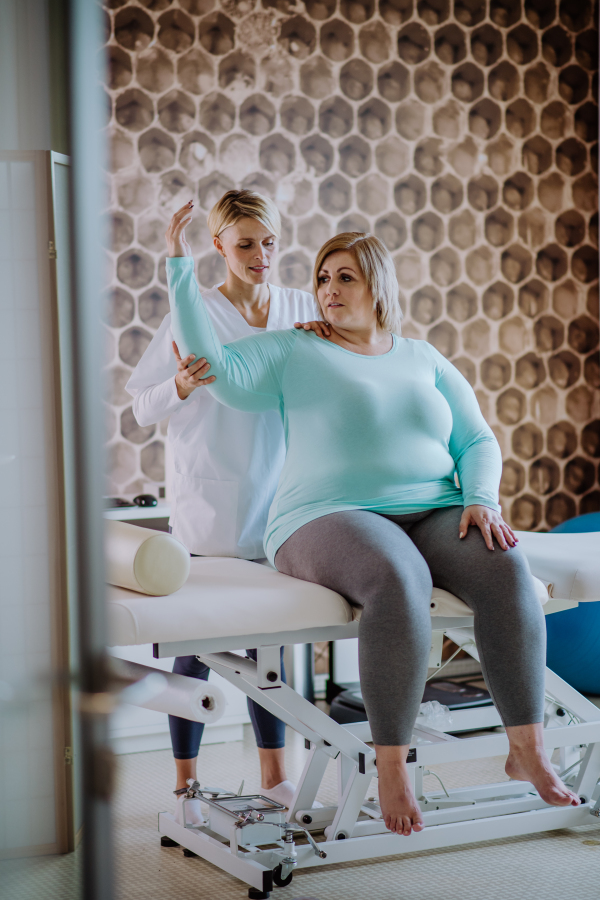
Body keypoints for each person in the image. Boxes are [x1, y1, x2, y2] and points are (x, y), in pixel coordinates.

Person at [165, 202, 581, 837]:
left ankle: (526, 746)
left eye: (344, 277)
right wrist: (177, 266)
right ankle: (392, 765)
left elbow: (477, 439)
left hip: (434, 507)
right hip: (323, 515)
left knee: (504, 565)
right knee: (397, 576)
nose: (328, 289)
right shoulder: (294, 348)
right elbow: (215, 369)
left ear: (376, 286)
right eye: (323, 278)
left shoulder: (421, 357)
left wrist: (481, 499)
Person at [126, 190, 323, 826]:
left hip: (280, 501)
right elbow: (141, 406)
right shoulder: (196, 311)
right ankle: (185, 786)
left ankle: (276, 779)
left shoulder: (300, 308)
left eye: (269, 242)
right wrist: (181, 384)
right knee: (197, 643)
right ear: (218, 247)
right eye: (245, 244)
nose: (261, 256)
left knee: (272, 642)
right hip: (208, 500)